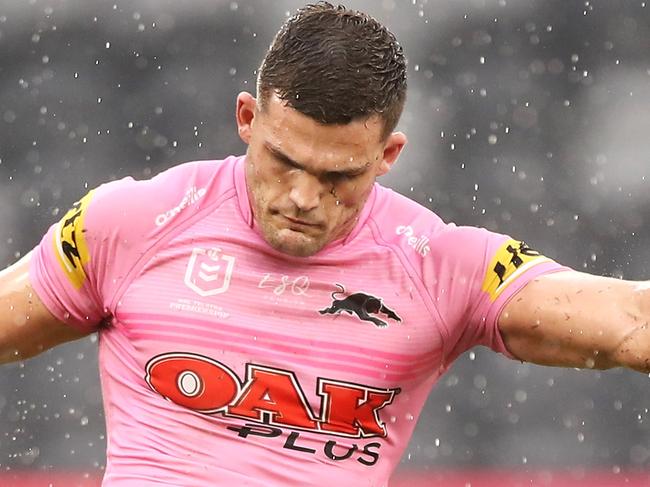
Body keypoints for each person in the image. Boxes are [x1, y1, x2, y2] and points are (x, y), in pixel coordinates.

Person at [0, 2, 648, 486]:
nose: (304, 197)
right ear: (248, 119)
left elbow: (630, 324)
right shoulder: (132, 223)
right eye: (284, 160)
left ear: (388, 154)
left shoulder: (436, 263)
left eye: (339, 175)